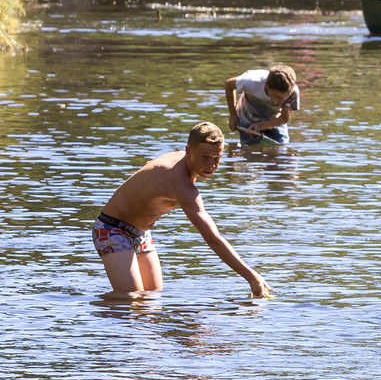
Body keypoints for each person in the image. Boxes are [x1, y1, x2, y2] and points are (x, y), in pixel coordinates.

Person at [92, 123, 269, 299]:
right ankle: (95, 316)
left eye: (217, 158)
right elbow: (213, 239)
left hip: (141, 233)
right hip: (112, 228)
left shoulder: (184, 165)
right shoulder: (178, 181)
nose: (212, 165)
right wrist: (251, 276)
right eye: (205, 157)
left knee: (152, 300)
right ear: (189, 150)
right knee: (131, 300)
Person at [224, 62, 300, 148]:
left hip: (274, 120)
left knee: (281, 149)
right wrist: (233, 115)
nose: (280, 102)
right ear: (266, 85)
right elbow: (229, 85)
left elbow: (284, 118)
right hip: (247, 117)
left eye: (285, 97)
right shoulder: (251, 82)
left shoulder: (293, 92)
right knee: (248, 150)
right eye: (277, 97)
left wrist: (262, 126)